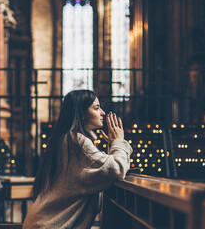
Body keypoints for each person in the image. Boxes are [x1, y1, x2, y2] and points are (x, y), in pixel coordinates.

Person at [23, 89, 132, 229]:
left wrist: (114, 144)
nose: (103, 113)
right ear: (82, 114)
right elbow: (116, 168)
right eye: (97, 108)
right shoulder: (76, 141)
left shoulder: (69, 139)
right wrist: (118, 141)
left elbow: (105, 168)